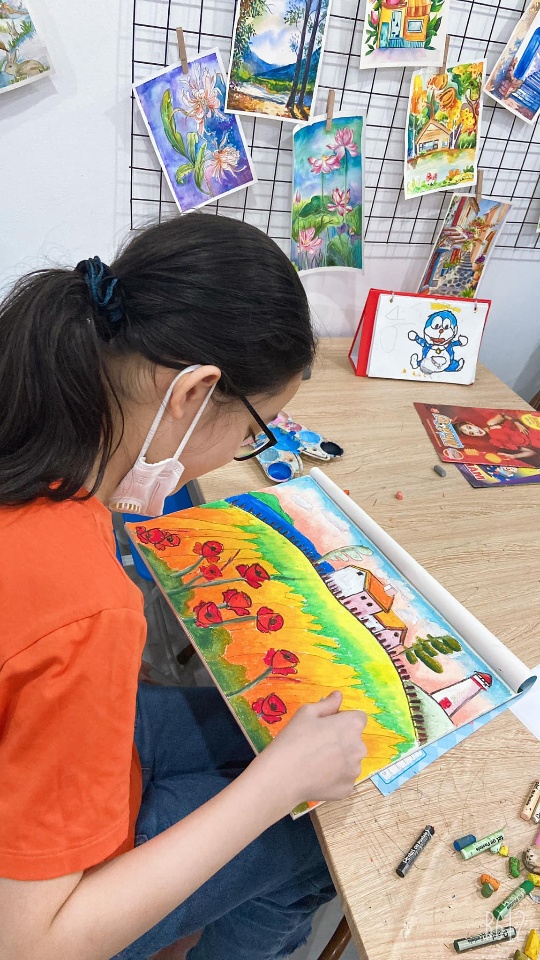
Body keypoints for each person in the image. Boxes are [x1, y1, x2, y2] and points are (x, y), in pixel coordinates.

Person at [0, 214, 368, 960]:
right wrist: (273, 788)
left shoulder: (30, 432)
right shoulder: (87, 607)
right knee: (313, 835)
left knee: (270, 728)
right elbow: (31, 945)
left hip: (43, 759)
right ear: (194, 391)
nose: (245, 449)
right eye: (258, 429)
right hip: (41, 911)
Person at [453, 412, 540, 468]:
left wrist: (518, 425)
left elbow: (505, 415)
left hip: (532, 425)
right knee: (536, 443)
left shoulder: (491, 424)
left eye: (470, 427)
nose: (475, 431)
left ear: (471, 424)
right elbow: (532, 452)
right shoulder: (496, 442)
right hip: (536, 441)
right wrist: (514, 456)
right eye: (471, 433)